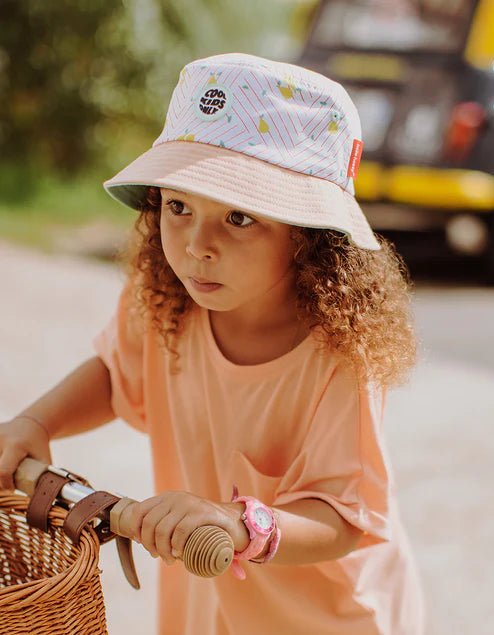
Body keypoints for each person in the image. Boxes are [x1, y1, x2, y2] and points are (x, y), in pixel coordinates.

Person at [0, 53, 424, 634]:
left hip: (327, 618)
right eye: (178, 206)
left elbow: (345, 517)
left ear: (309, 240)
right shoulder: (164, 300)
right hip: (208, 607)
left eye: (240, 218)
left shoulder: (336, 357)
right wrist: (37, 422)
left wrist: (238, 523)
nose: (197, 244)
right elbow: (117, 373)